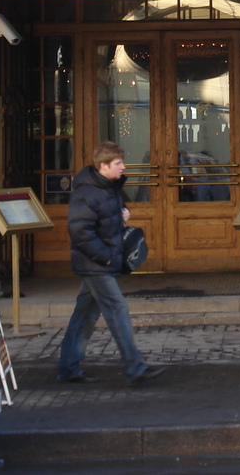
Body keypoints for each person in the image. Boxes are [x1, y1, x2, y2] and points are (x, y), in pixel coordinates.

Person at [57, 142, 165, 386]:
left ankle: (68, 367)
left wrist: (123, 214)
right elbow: (80, 231)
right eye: (118, 163)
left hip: (100, 262)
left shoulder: (109, 188)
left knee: (84, 315)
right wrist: (105, 256)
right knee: (117, 310)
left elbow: (106, 218)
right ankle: (134, 367)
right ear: (103, 166)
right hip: (96, 264)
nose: (123, 167)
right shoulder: (86, 193)